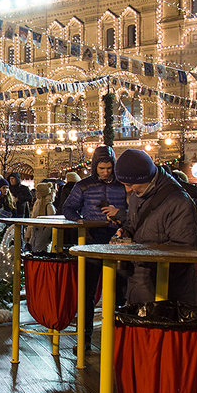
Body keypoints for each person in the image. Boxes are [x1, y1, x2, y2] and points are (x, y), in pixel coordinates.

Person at [114, 149, 197, 305]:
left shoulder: (178, 202)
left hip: (167, 295)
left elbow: (186, 249)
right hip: (139, 286)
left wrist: (139, 250)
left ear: (145, 176)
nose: (128, 189)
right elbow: (134, 225)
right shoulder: (137, 195)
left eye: (130, 184)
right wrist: (125, 233)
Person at [62, 145, 127, 350]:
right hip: (91, 240)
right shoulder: (83, 186)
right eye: (102, 169)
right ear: (95, 167)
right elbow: (68, 207)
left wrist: (120, 214)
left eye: (109, 168)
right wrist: (81, 222)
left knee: (120, 291)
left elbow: (132, 208)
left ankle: (120, 339)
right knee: (87, 291)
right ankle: (85, 337)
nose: (106, 172)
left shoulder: (122, 186)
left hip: (117, 240)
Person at [26, 181, 56, 253]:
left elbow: (50, 224)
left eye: (38, 191)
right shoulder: (37, 204)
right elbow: (33, 219)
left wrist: (44, 236)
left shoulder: (48, 206)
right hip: (35, 233)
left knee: (41, 252)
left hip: (42, 235)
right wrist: (28, 233)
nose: (36, 193)